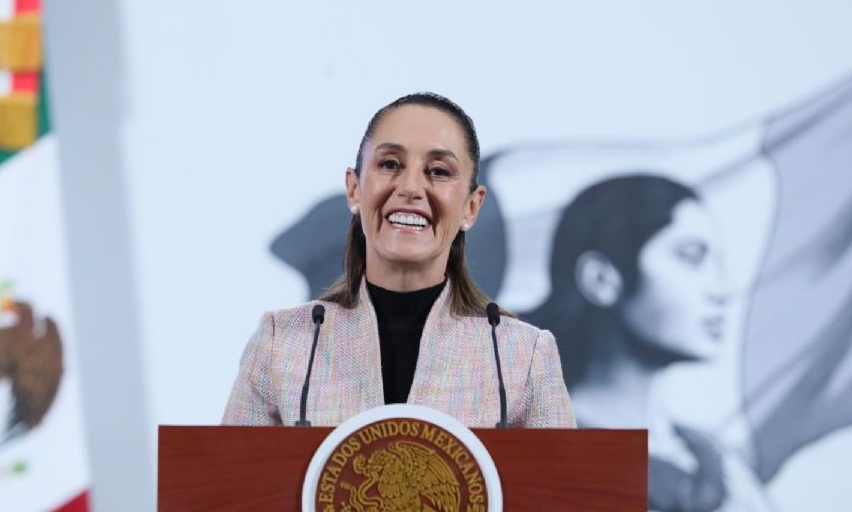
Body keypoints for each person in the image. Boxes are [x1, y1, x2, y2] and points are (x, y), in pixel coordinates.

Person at [222, 93, 576, 428]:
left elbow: (563, 490)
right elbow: (229, 485)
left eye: (438, 171)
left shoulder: (521, 357)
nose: (410, 187)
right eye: (390, 164)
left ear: (472, 206)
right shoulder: (282, 344)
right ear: (354, 190)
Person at [526, 174, 771, 511]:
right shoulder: (533, 455)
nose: (723, 289)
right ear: (600, 278)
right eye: (691, 256)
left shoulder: (720, 465)